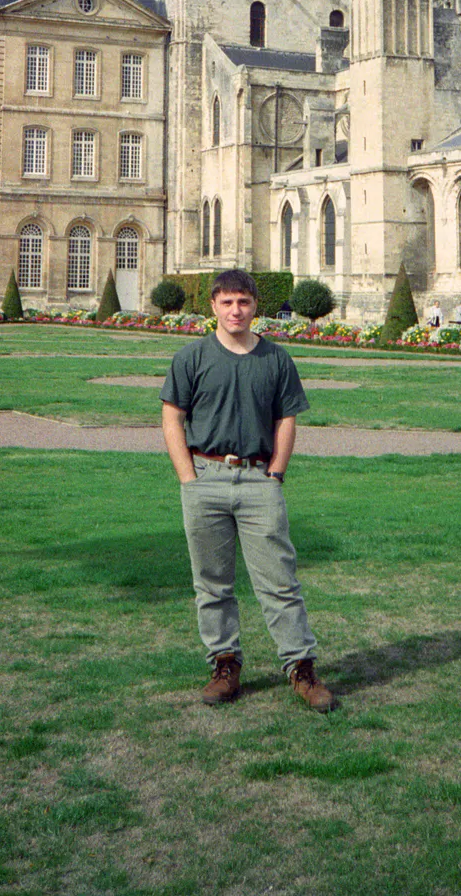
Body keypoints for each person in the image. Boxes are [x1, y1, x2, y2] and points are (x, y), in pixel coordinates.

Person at [160, 268, 334, 711]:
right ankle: (224, 664)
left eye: (244, 302)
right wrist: (188, 478)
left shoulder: (276, 359)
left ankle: (301, 668)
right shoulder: (191, 358)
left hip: (259, 481)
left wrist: (276, 473)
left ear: (255, 306)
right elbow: (171, 418)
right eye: (227, 302)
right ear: (213, 307)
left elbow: (287, 419)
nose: (236, 310)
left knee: (279, 582)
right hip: (206, 479)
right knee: (212, 583)